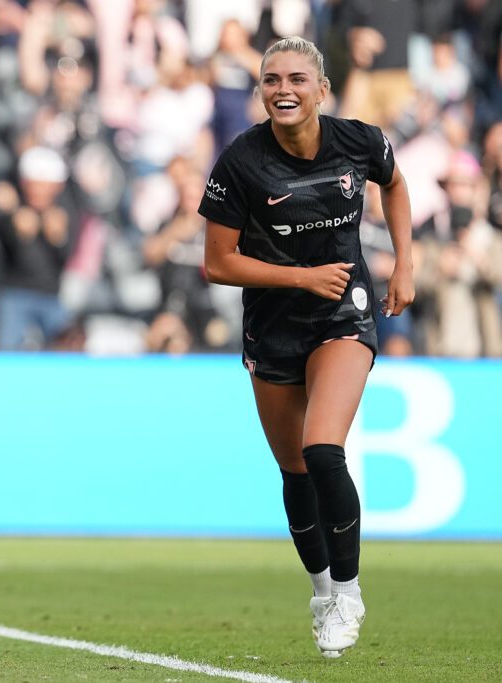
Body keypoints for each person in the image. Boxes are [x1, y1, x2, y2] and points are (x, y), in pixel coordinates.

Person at [198, 37, 414, 658]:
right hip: (273, 324)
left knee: (323, 449)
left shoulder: (360, 142)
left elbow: (395, 185)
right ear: (260, 91)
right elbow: (217, 263)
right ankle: (322, 591)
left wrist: (405, 261)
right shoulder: (240, 161)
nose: (283, 89)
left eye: (296, 78)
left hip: (343, 312)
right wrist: (299, 277)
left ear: (323, 89)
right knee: (293, 469)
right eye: (270, 80)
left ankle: (348, 592)